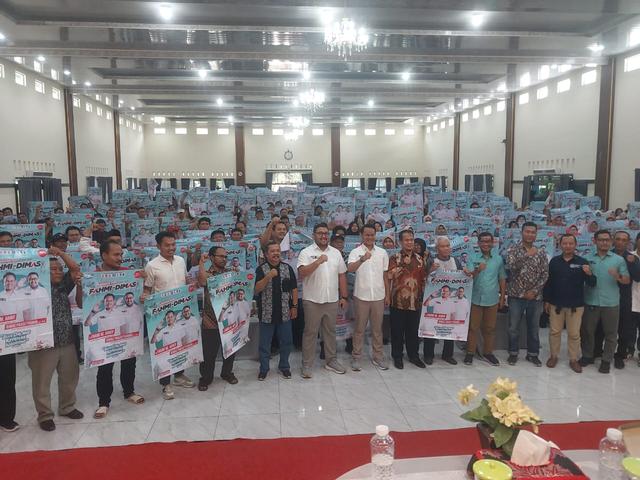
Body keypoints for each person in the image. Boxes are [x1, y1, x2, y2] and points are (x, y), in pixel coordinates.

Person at [28, 247, 84, 431]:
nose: (58, 272)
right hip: (42, 343)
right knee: (41, 381)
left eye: (60, 269)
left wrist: (60, 254)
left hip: (66, 339)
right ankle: (45, 415)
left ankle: (67, 407)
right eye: (53, 269)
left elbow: (75, 268)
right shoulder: (34, 289)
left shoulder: (63, 286)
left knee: (69, 377)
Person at [88, 241, 144, 419]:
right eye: (116, 254)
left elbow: (139, 299)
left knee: (129, 362)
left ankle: (129, 392)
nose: (120, 258)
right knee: (105, 368)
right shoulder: (92, 277)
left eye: (121, 254)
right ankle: (104, 402)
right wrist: (81, 285)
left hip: (125, 332)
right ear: (104, 255)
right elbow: (83, 303)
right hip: (105, 336)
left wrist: (144, 292)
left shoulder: (129, 274)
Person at [143, 231, 194, 399]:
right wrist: (145, 296)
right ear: (158, 246)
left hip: (181, 309)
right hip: (162, 313)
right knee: (165, 348)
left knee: (180, 343)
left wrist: (192, 286)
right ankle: (165, 384)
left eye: (173, 244)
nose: (171, 248)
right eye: (167, 245)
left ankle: (179, 376)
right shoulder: (152, 266)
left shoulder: (180, 260)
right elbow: (147, 289)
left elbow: (186, 280)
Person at [297, 223, 349, 378]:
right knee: (310, 333)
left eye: (326, 233)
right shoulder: (306, 252)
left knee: (330, 332)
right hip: (312, 300)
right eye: (320, 233)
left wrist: (344, 296)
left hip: (331, 300)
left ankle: (331, 361)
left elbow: (342, 275)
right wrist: (317, 262)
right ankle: (307, 364)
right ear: (314, 235)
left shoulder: (335, 253)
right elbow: (302, 273)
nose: (323, 236)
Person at [542, 234, 595, 373]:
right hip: (556, 303)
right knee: (554, 332)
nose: (568, 246)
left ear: (575, 245)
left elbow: (592, 283)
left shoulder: (582, 262)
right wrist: (546, 300)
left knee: (574, 334)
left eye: (571, 243)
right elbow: (549, 282)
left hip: (575, 305)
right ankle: (553, 356)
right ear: (560, 245)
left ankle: (573, 359)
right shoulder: (554, 261)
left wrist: (589, 274)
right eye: (565, 243)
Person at [580, 230, 631, 373]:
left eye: (607, 240)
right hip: (591, 301)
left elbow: (627, 280)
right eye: (601, 240)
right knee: (587, 332)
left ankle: (606, 360)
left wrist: (617, 276)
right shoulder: (587, 258)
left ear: (611, 241)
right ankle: (587, 356)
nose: (604, 242)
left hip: (611, 303)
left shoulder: (618, 260)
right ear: (595, 241)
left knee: (611, 334)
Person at [505, 222, 549, 367]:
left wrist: (534, 291)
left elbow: (545, 274)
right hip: (516, 296)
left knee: (534, 327)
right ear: (522, 232)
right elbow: (511, 267)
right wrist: (525, 256)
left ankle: (533, 354)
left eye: (532, 232)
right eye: (527, 231)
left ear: (536, 234)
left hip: (535, 297)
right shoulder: (512, 249)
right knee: (513, 327)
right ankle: (513, 353)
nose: (530, 234)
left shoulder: (541, 252)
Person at [347, 224, 390, 371]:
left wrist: (387, 295)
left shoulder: (382, 253)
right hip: (361, 296)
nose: (370, 237)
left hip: (378, 296)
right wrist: (362, 260)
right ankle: (356, 357)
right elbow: (350, 268)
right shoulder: (355, 252)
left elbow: (385, 275)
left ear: (375, 235)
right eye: (367, 235)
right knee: (359, 328)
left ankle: (378, 356)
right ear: (361, 235)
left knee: (377, 329)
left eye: (372, 235)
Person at [254, 241, 298, 380]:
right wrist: (268, 276)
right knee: (264, 344)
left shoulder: (287, 268)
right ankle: (264, 369)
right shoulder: (261, 269)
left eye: (278, 250)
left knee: (286, 342)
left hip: (285, 312)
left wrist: (294, 306)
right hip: (266, 313)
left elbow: (294, 289)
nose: (276, 253)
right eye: (272, 251)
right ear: (266, 254)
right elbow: (256, 289)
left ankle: (284, 367)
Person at [197, 246, 238, 391]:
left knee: (230, 350)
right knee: (208, 354)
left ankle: (227, 373)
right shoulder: (208, 274)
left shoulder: (230, 273)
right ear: (212, 257)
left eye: (225, 256)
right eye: (221, 256)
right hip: (211, 320)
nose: (224, 259)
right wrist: (201, 263)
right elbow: (202, 282)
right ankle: (206, 378)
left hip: (229, 318)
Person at [387, 229, 428, 369]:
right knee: (397, 331)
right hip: (398, 301)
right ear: (400, 242)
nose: (410, 242)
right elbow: (390, 275)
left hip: (415, 301)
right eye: (406, 240)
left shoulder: (420, 259)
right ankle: (397, 356)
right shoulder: (395, 258)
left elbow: (423, 279)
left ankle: (413, 356)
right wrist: (403, 265)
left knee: (413, 331)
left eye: (411, 240)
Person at [464, 231, 506, 366]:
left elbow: (502, 278)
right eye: (483, 241)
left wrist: (502, 297)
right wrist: (478, 270)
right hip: (475, 298)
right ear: (478, 243)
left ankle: (488, 353)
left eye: (488, 241)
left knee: (490, 328)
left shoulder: (498, 259)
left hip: (492, 298)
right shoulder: (472, 257)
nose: (486, 244)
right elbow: (469, 277)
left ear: (493, 243)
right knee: (473, 328)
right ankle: (470, 352)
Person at [424, 236, 462, 365]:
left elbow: (462, 278)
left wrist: (467, 273)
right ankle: (428, 354)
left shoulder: (456, 261)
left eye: (448, 246)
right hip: (435, 299)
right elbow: (423, 278)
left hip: (450, 299)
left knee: (450, 327)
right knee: (431, 326)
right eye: (443, 246)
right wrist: (430, 270)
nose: (446, 248)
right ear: (437, 248)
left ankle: (448, 355)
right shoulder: (431, 260)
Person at [612, 231, 640, 369]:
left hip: (624, 299)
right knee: (601, 328)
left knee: (624, 330)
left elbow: (638, 277)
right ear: (613, 240)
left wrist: (633, 263)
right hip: (605, 297)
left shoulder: (632, 258)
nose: (620, 242)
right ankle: (597, 352)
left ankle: (620, 355)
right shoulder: (606, 254)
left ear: (628, 242)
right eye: (618, 239)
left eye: (624, 240)